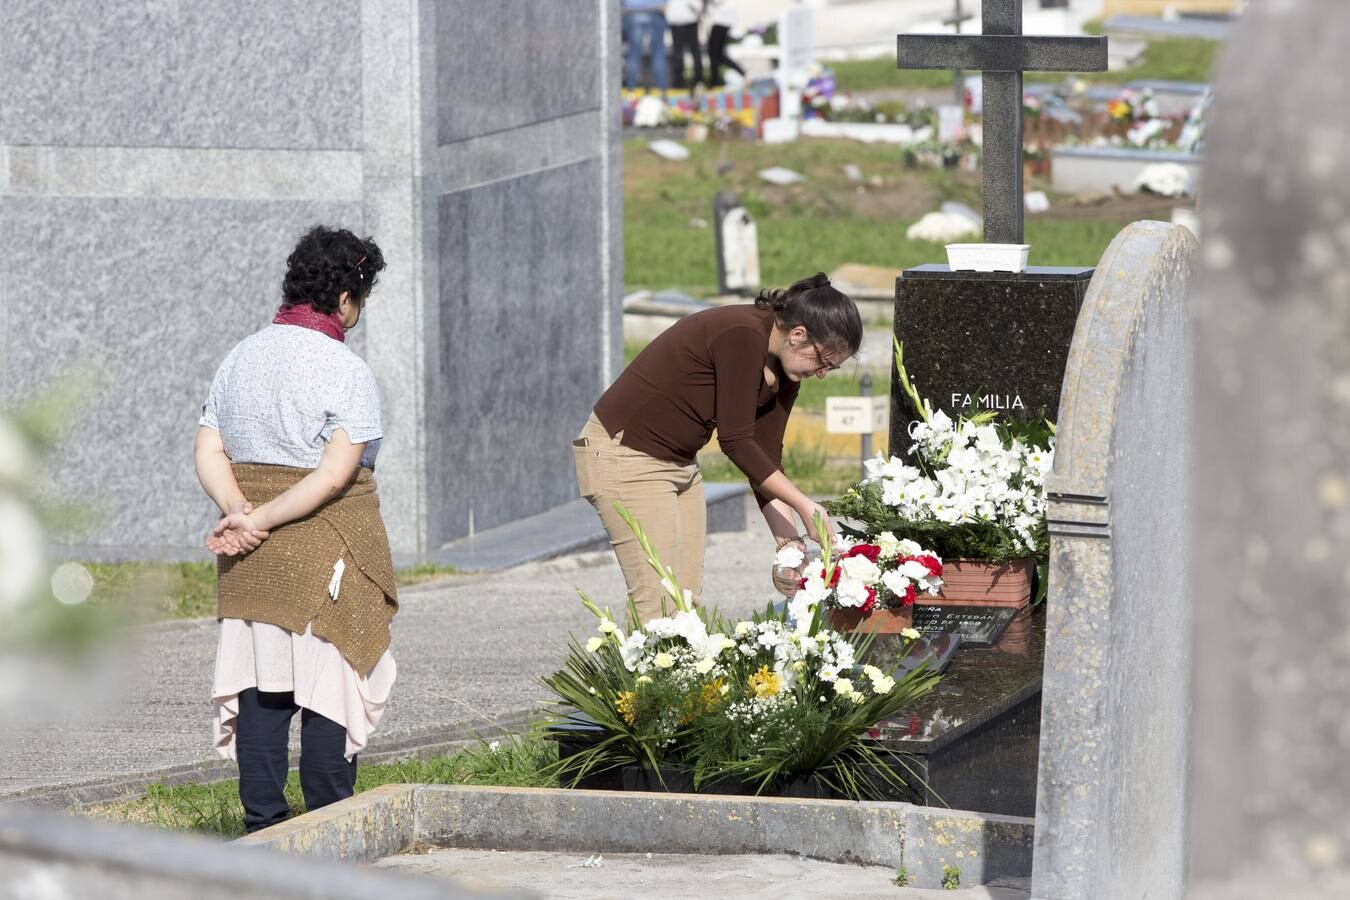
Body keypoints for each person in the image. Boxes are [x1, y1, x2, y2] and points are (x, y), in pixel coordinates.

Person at [194, 225, 397, 833]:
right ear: (344, 300)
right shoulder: (345, 369)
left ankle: (264, 830)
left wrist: (240, 511)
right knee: (327, 691)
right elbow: (335, 476)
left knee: (261, 691)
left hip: (249, 557)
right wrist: (261, 518)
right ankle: (329, 832)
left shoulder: (241, 355)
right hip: (324, 550)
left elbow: (209, 448)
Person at [573, 273, 862, 623]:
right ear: (798, 335)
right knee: (658, 602)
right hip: (625, 456)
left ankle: (668, 675)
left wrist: (788, 546)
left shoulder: (787, 367)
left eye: (831, 368)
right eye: (823, 361)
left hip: (678, 464)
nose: (822, 374)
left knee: (684, 601)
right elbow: (736, 441)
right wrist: (804, 506)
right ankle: (639, 678)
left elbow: (764, 458)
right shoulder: (741, 335)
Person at [623, 0, 669, 94]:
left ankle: (630, 92)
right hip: (656, 9)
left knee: (633, 53)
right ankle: (662, 93)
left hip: (632, 10)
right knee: (658, 53)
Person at [706, 0, 746, 87]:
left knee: (714, 53)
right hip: (722, 18)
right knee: (718, 54)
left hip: (722, 19)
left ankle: (714, 82)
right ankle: (742, 73)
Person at [666, 0, 704, 90]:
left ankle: (679, 83)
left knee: (679, 51)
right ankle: (698, 81)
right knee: (694, 50)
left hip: (677, 19)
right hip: (689, 17)